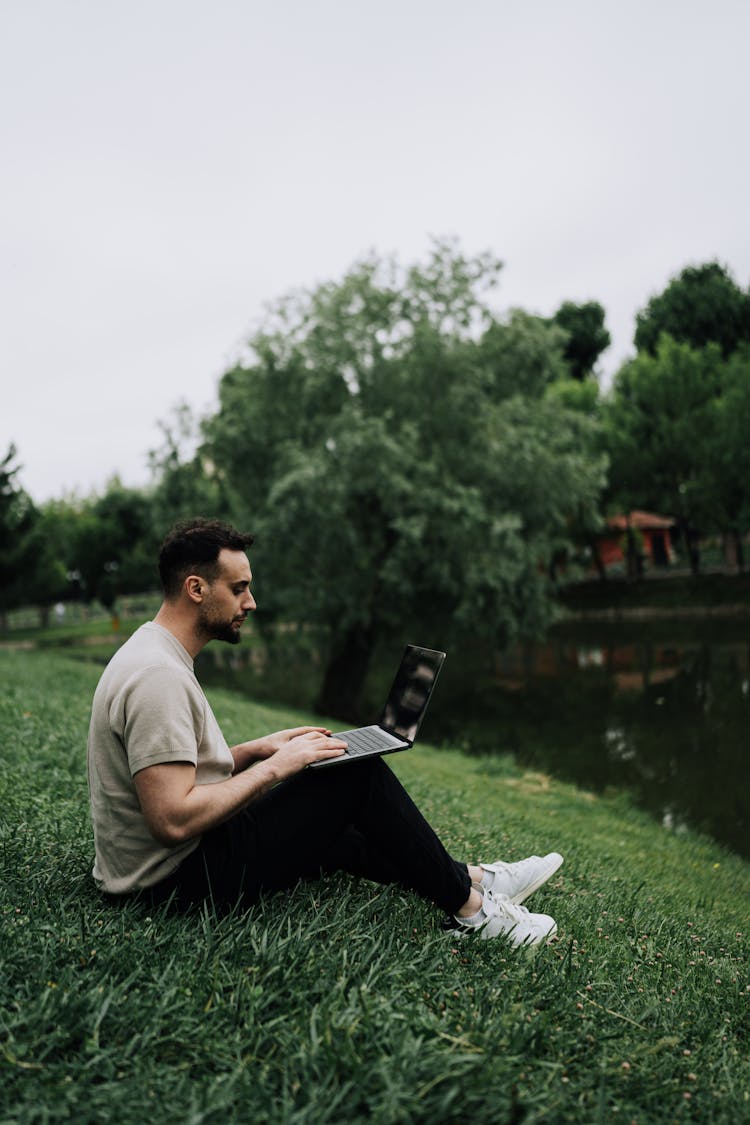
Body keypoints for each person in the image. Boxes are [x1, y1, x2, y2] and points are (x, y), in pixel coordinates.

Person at [87, 518, 563, 947]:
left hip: (175, 867)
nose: (251, 602)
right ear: (196, 588)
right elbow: (170, 819)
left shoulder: (154, 653)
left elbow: (176, 771)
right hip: (174, 883)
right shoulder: (158, 677)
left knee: (335, 820)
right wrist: (275, 769)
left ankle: (474, 878)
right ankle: (474, 913)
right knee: (357, 777)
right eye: (239, 589)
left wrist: (261, 748)